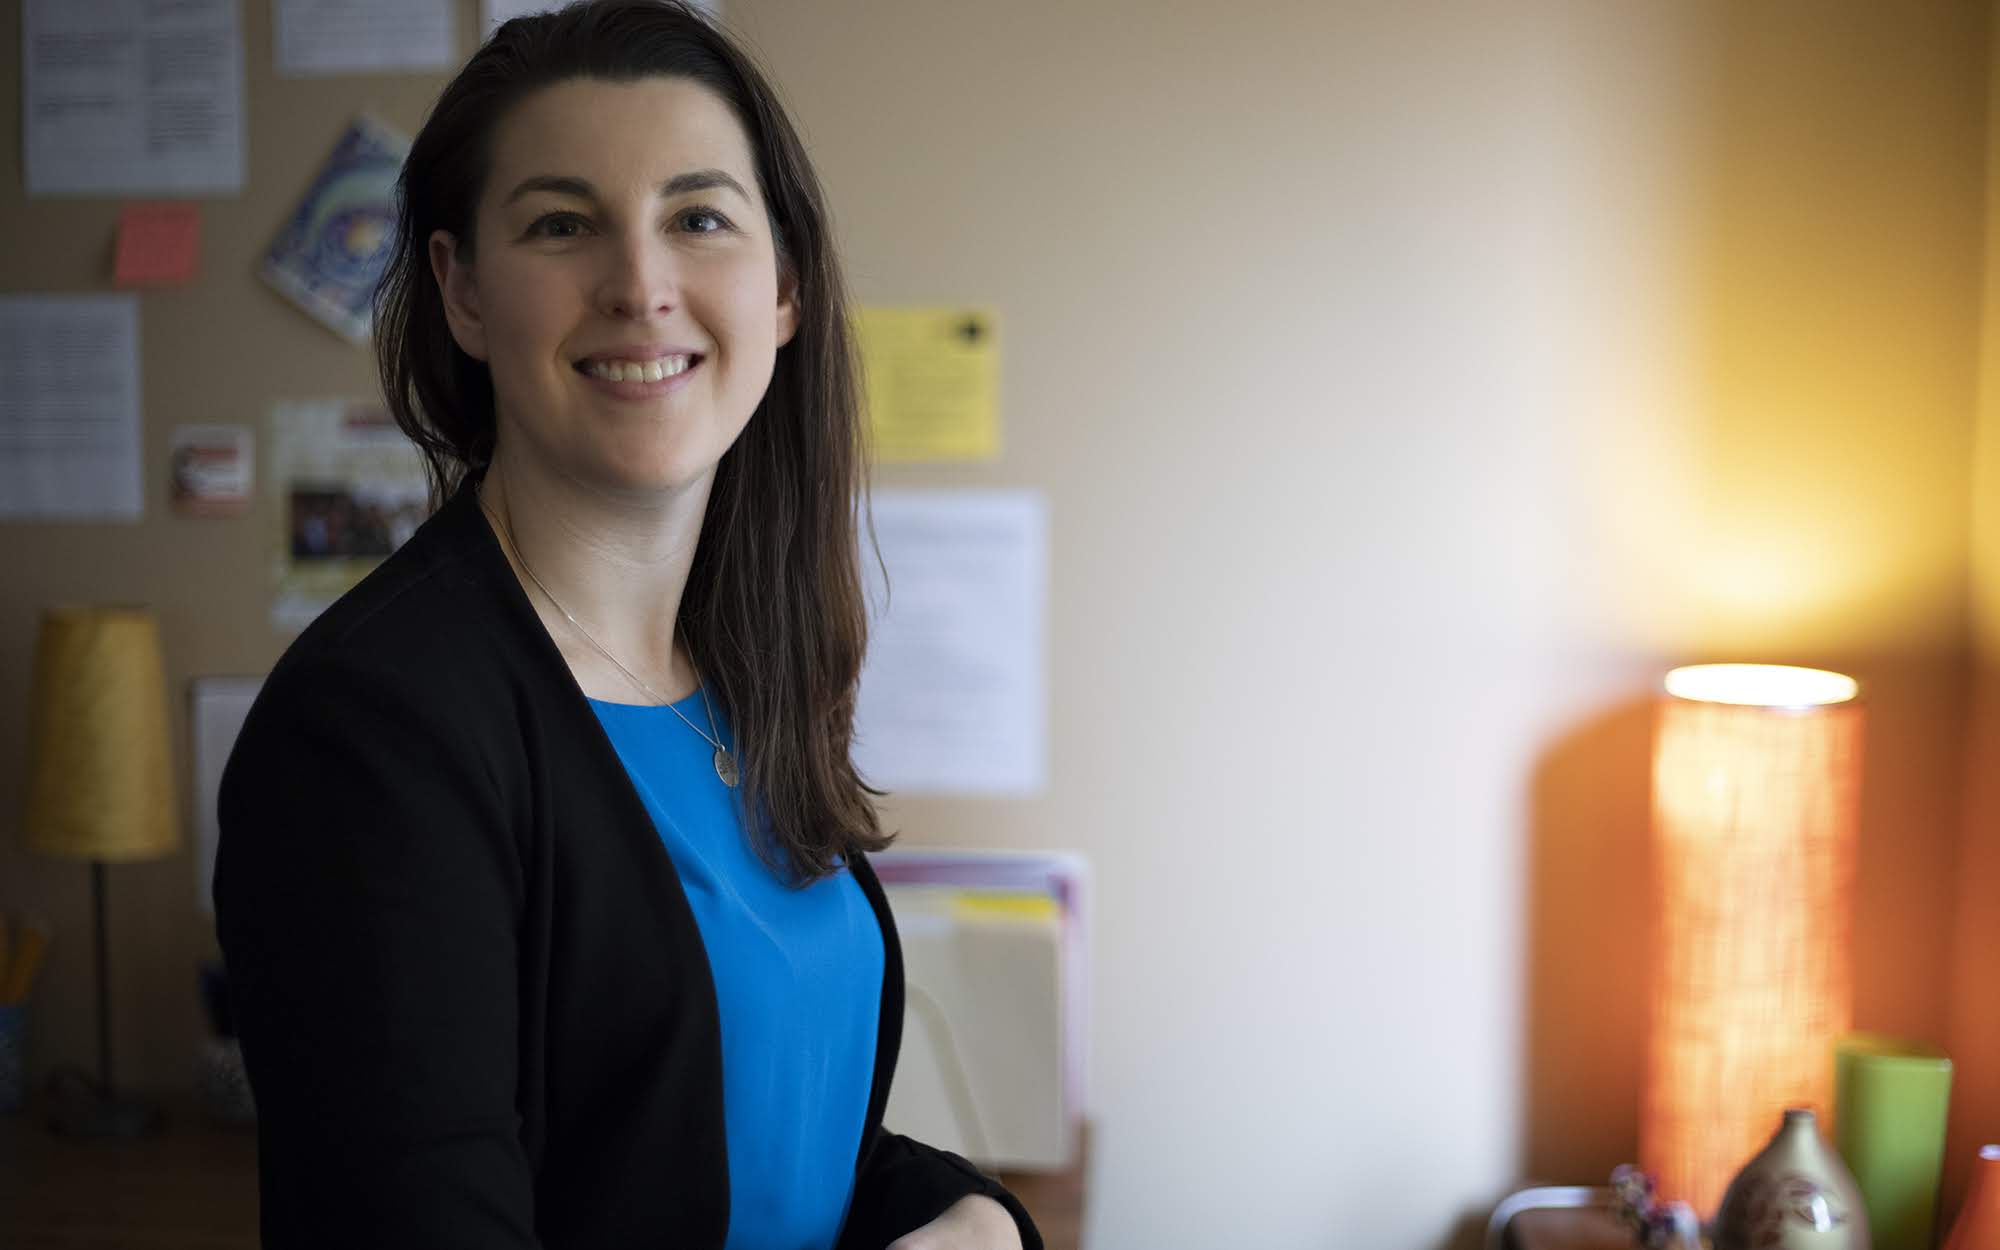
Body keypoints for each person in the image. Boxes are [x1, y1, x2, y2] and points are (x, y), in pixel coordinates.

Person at [211, 4, 1039, 1248]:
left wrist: (971, 1218)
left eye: (698, 217)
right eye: (560, 224)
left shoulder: (746, 670)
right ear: (464, 291)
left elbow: (761, 1131)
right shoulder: (373, 734)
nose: (641, 285)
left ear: (786, 288)